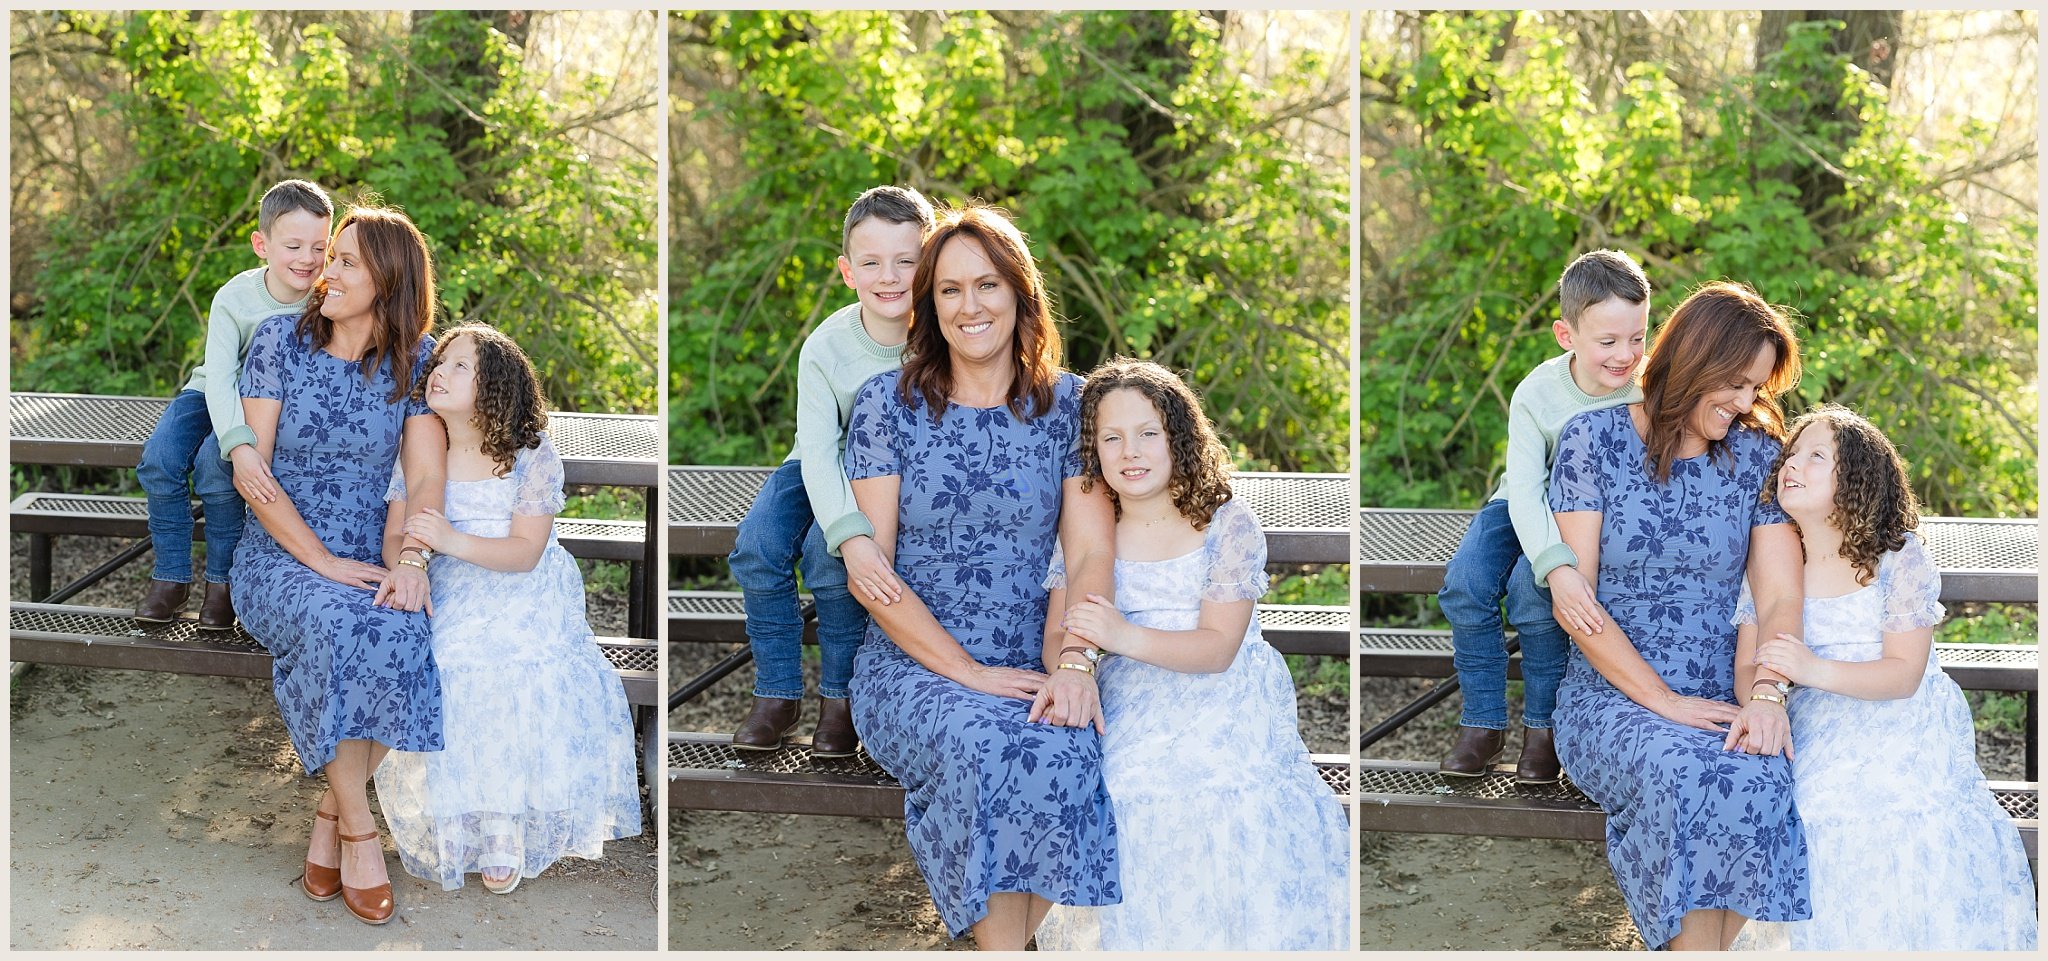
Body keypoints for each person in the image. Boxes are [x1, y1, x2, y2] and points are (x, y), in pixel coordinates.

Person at [843, 204, 1120, 950]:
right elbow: (874, 575)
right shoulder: (887, 407)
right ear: (928, 305)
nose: (971, 306)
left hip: (1037, 652)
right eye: (950, 290)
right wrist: (967, 671)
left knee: (1066, 745)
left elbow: (1089, 554)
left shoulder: (1071, 405)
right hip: (914, 664)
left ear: (1020, 293)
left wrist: (1071, 663)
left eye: (988, 285)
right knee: (986, 745)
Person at [1033, 360, 1348, 951]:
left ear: (1178, 436)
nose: (1132, 450)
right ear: (1093, 448)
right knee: (1120, 789)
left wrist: (1120, 634)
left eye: (1148, 432)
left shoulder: (1226, 526)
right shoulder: (1089, 530)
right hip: (1126, 694)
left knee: (1213, 794)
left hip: (1218, 698)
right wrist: (1077, 667)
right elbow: (1059, 634)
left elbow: (1218, 648)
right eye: (1112, 437)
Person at [1545, 281, 1809, 950]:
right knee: (1685, 770)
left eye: (1757, 387)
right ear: (1696, 359)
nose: (1747, 401)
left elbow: (1779, 596)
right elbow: (1579, 605)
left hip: (1727, 692)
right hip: (1612, 698)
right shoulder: (1592, 441)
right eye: (1738, 383)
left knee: (1759, 767)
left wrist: (1768, 694)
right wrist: (1664, 700)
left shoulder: (1754, 457)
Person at [1731, 406, 2037, 951]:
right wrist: (1769, 697)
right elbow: (1747, 669)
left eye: (1816, 456)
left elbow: (1903, 675)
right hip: (1814, 721)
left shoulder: (1896, 558)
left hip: (1901, 721)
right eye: (1792, 453)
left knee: (1889, 814)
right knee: (1808, 808)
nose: (1792, 465)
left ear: (1856, 480)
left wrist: (1810, 669)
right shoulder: (1775, 561)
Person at [230, 207, 447, 926]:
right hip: (279, 554)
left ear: (389, 282)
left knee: (404, 626)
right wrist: (318, 557)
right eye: (333, 257)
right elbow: (252, 475)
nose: (329, 272)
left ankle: (329, 813)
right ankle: (360, 833)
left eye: (349, 261)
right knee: (332, 621)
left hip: (371, 553)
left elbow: (422, 480)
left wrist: (412, 558)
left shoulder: (417, 361)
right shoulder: (277, 343)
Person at [373, 325, 643, 895]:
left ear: (494, 385)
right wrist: (410, 561)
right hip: (448, 587)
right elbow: (397, 532)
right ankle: (458, 815)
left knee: (504, 668)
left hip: (521, 590)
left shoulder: (529, 454)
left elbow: (524, 552)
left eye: (459, 367)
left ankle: (502, 824)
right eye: (439, 362)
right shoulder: (422, 446)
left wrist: (447, 540)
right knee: (446, 659)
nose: (439, 372)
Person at [729, 185, 936, 757]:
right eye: (871, 262)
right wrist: (845, 523)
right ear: (848, 271)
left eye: (907, 260)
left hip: (889, 474)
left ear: (930, 263)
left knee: (828, 560)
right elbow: (817, 451)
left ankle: (840, 699)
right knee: (758, 546)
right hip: (815, 464)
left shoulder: (940, 341)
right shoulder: (826, 345)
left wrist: (843, 537)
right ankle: (777, 693)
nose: (889, 276)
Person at [1439, 249, 1651, 782]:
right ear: (1566, 336)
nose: (1625, 355)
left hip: (1590, 517)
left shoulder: (1650, 390)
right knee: (1466, 583)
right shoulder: (1537, 391)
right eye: (1608, 342)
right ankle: (1483, 724)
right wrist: (1554, 562)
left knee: (1532, 597)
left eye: (1638, 338)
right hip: (1521, 504)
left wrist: (1554, 569)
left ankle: (1544, 730)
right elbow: (1527, 491)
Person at [135, 179, 333, 629]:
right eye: (294, 245)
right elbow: (220, 377)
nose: (307, 259)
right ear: (261, 245)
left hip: (268, 405)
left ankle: (221, 583)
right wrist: (237, 441)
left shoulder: (325, 301)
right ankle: (171, 577)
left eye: (320, 247)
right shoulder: (235, 296)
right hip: (211, 392)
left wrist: (236, 444)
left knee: (213, 467)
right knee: (159, 460)